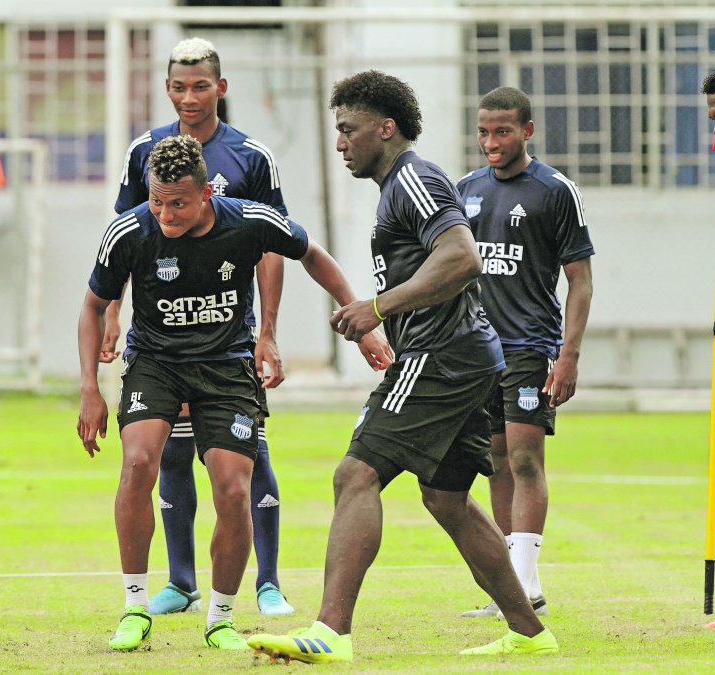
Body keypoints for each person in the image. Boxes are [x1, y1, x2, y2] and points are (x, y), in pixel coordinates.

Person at [246, 70, 559, 663]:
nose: (340, 143)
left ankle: (330, 631)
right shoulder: (399, 187)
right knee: (445, 498)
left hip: (440, 357)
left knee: (355, 475)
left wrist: (377, 307)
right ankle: (530, 630)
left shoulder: (412, 178)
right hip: (466, 355)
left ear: (385, 129)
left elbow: (463, 257)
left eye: (348, 129)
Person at [77, 134, 392, 653]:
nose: (164, 213)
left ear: (206, 195)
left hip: (225, 368)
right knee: (137, 464)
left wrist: (361, 319)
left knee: (231, 487)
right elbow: (93, 305)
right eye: (157, 200)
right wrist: (90, 389)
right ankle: (134, 606)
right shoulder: (129, 231)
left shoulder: (249, 220)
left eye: (177, 202)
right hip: (156, 363)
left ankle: (221, 617)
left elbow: (311, 254)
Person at [111, 36, 295, 616]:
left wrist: (267, 330)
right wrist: (113, 311)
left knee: (244, 457)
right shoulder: (145, 151)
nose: (189, 97)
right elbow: (124, 239)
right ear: (167, 89)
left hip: (227, 339)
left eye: (200, 85)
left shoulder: (252, 157)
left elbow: (274, 247)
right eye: (179, 86)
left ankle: (266, 582)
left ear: (221, 87)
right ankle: (181, 581)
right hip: (159, 337)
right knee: (161, 455)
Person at [455, 87, 595, 620]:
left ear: (527, 131)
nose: (492, 142)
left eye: (503, 131)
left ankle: (522, 583)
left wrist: (569, 354)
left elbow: (580, 281)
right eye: (484, 132)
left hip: (531, 346)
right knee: (495, 463)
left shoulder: (555, 191)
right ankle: (516, 591)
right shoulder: (466, 190)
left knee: (523, 459)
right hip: (479, 349)